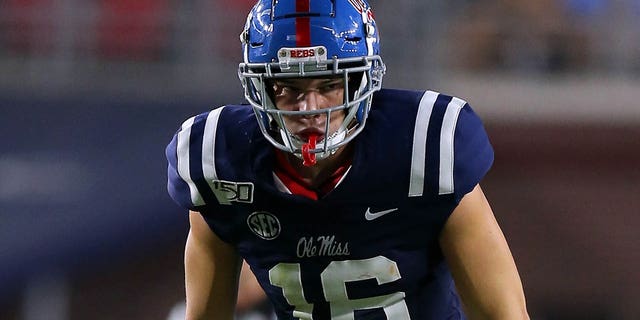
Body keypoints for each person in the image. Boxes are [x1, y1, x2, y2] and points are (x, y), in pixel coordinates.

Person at [165, 0, 530, 319]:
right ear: (259, 87)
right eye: (288, 87)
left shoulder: (424, 148)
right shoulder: (220, 162)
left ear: (361, 81)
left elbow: (502, 314)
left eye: (327, 85)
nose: (309, 109)